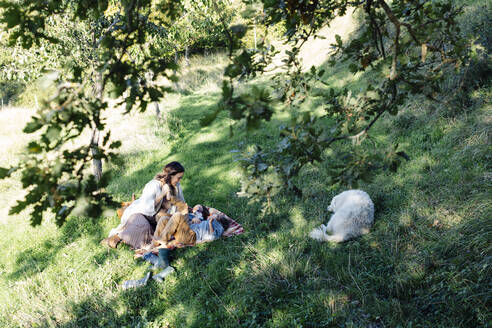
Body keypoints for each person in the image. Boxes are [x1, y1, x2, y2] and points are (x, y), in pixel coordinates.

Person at [102, 161, 186, 249]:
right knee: (145, 229)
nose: (179, 180)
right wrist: (162, 194)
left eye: (181, 178)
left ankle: (143, 237)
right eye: (178, 178)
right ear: (170, 176)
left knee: (163, 225)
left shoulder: (176, 185)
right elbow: (147, 208)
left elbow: (181, 202)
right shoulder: (153, 185)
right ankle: (118, 237)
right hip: (139, 214)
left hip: (155, 217)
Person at [156, 210, 230, 247]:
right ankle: (155, 243)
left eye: (217, 215)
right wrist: (193, 220)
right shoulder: (207, 220)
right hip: (187, 231)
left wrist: (210, 223)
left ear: (220, 219)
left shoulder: (219, 227)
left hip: (190, 236)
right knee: (163, 218)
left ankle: (162, 240)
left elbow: (213, 236)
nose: (214, 215)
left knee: (177, 215)